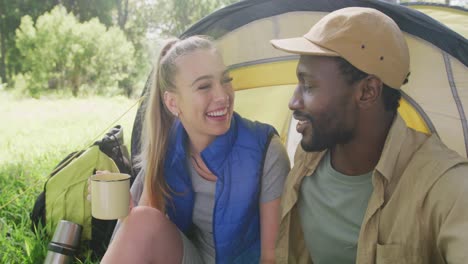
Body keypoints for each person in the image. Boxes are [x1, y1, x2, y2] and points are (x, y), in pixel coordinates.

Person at [270, 7, 468, 264]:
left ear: (367, 92)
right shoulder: (306, 160)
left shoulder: (445, 187)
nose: (294, 102)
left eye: (308, 86)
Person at [101, 36, 290, 264]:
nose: (223, 96)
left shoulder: (266, 150)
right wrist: (127, 214)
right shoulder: (166, 145)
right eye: (204, 86)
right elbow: (148, 233)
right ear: (172, 103)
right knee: (142, 219)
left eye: (226, 80)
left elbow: (273, 257)